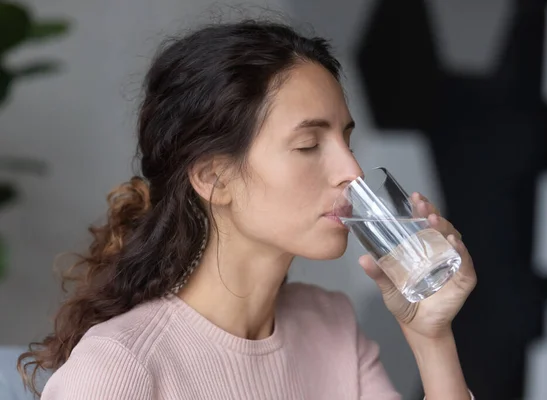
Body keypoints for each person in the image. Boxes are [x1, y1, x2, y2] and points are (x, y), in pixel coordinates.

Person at [18, 20, 477, 399]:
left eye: (346, 139)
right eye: (308, 144)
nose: (351, 170)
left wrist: (430, 337)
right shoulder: (121, 368)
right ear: (214, 178)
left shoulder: (331, 325)